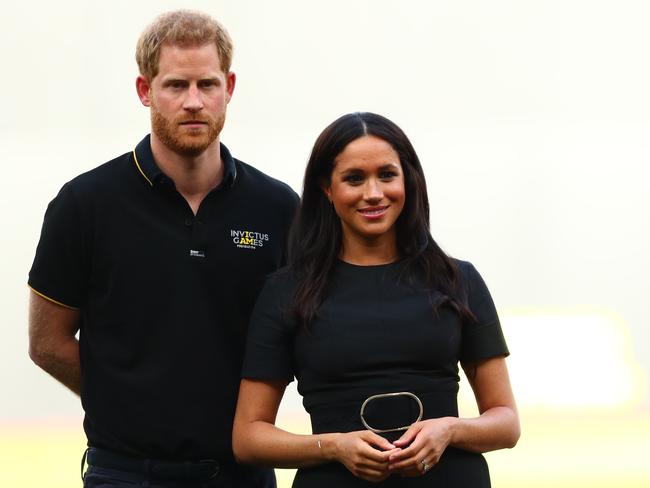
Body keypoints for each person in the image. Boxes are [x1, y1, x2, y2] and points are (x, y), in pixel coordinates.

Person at [28, 10, 297, 488]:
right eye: (176, 85)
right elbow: (47, 343)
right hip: (125, 473)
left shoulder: (277, 208)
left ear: (229, 87)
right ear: (145, 90)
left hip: (241, 474)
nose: (194, 101)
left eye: (207, 84)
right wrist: (127, 403)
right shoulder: (85, 204)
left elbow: (306, 335)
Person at [232, 112, 520, 487]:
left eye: (387, 175)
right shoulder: (288, 291)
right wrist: (333, 447)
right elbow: (248, 437)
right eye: (354, 178)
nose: (373, 193)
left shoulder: (457, 280)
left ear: (408, 180)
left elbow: (506, 422)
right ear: (326, 188)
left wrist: (450, 430)